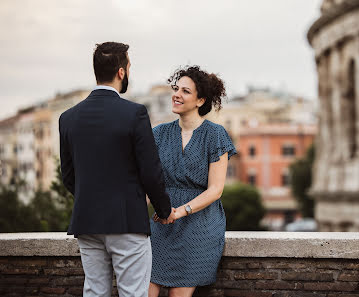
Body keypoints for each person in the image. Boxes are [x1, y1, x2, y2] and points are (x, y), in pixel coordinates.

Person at [59, 42, 175, 297]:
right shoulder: (134, 113)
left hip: (87, 221)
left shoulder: (67, 117)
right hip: (127, 222)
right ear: (122, 72)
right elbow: (150, 171)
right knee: (133, 293)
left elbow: (67, 175)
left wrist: (90, 199)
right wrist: (163, 209)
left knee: (95, 292)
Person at [149, 66, 236, 297]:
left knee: (179, 293)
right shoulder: (158, 134)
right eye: (176, 88)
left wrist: (180, 212)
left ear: (201, 100)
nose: (176, 94)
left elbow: (215, 190)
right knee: (143, 289)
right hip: (161, 221)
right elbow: (149, 183)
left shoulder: (216, 135)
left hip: (199, 224)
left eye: (185, 91)